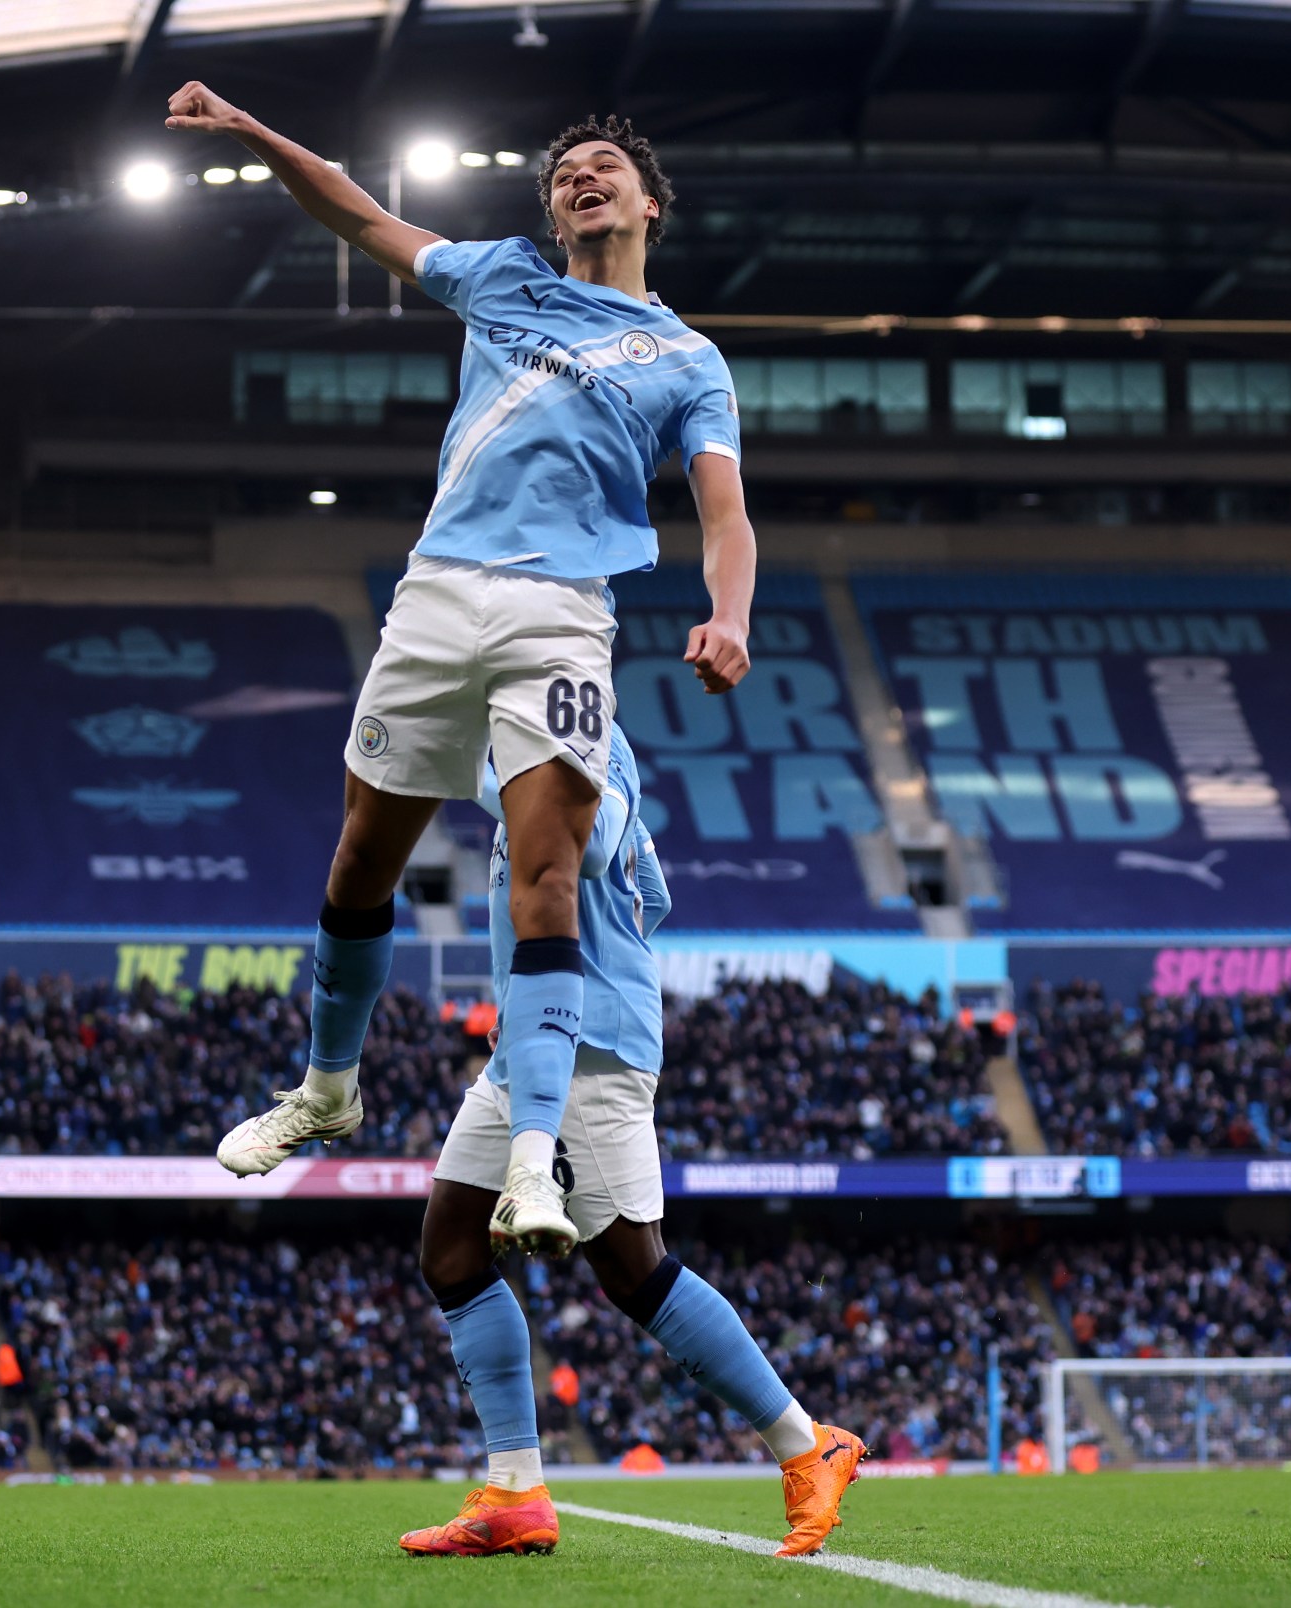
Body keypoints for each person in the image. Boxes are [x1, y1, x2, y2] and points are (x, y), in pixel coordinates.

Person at [170, 85, 758, 1253]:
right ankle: (326, 1087)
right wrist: (252, 130)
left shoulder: (690, 361)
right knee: (359, 862)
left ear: (650, 203)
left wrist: (726, 611)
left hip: (559, 618)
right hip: (437, 595)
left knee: (548, 871)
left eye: (604, 166)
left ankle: (532, 1168)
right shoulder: (501, 281)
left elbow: (726, 514)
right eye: (564, 173)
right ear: (553, 212)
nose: (581, 178)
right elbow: (358, 213)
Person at [399, 725, 863, 1558]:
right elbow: (651, 894)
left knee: (631, 1266)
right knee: (452, 1247)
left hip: (588, 1043)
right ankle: (513, 1490)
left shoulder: (586, 734)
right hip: (523, 1048)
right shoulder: (516, 740)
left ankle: (808, 1445)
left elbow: (604, 832)